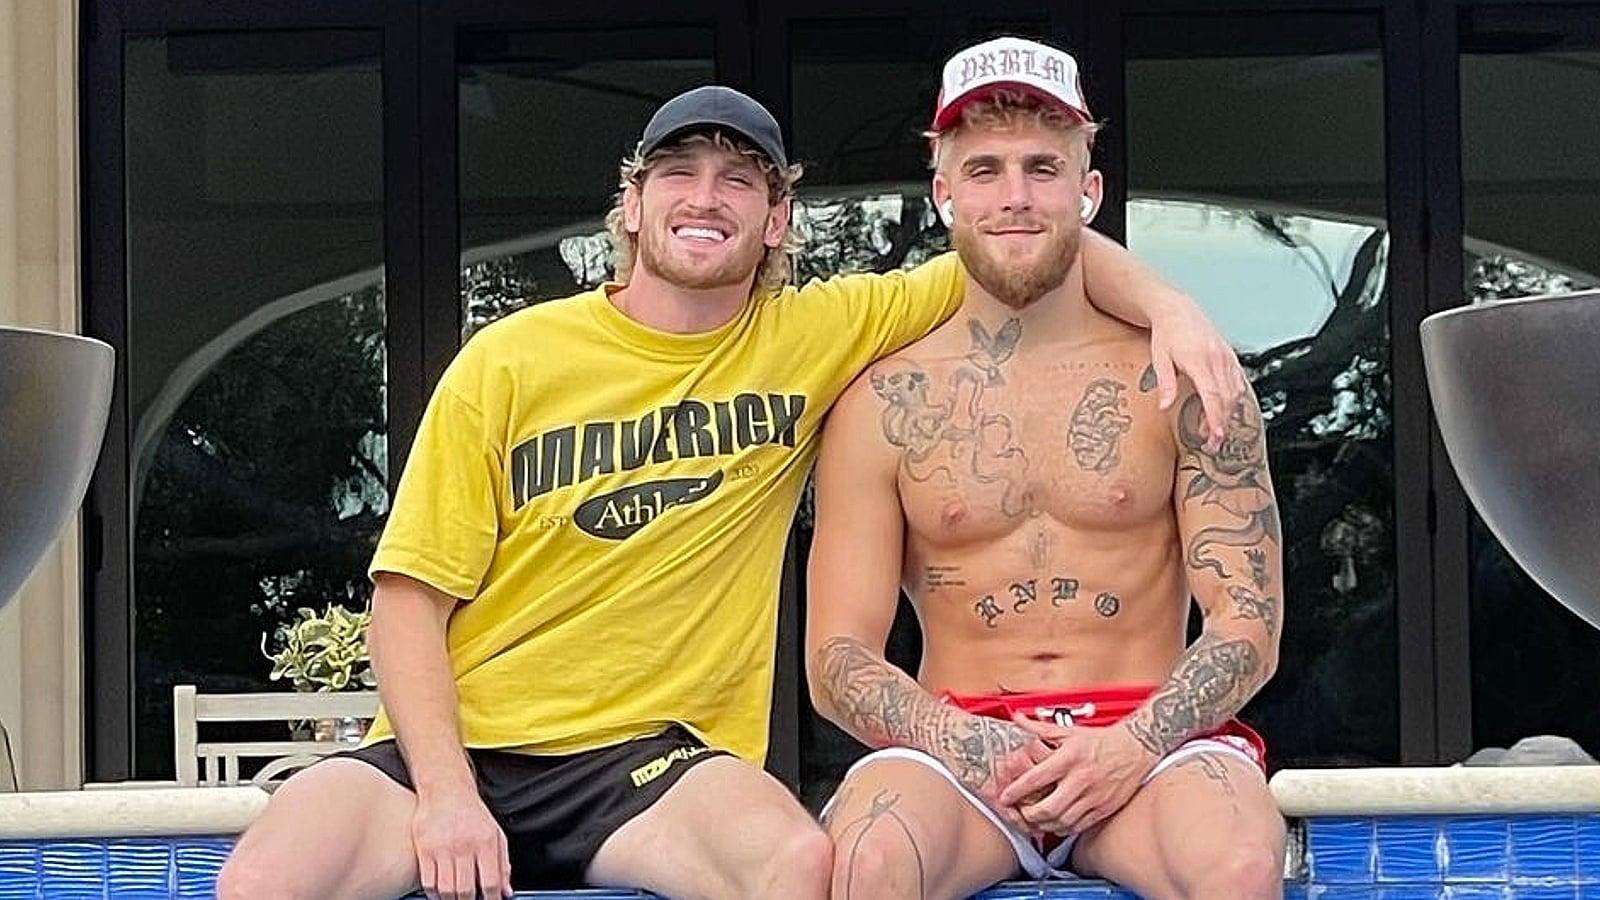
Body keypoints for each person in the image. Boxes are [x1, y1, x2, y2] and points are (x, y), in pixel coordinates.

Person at [217, 81, 1246, 900]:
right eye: (678, 172)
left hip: (652, 760)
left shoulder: (815, 337)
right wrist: (445, 798)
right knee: (267, 880)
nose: (704, 196)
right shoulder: (510, 358)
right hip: (460, 745)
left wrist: (1170, 307)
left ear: (777, 220)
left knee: (796, 870)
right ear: (632, 201)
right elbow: (406, 599)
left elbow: (1023, 242)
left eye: (738, 180)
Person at [807, 37, 1285, 900]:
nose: (1016, 197)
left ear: (1088, 191)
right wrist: (963, 742)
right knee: (869, 862)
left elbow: (1248, 623)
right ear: (944, 193)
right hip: (960, 743)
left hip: (1152, 736)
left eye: (1043, 167)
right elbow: (837, 656)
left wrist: (1134, 743)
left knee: (1239, 864)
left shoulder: (1185, 375)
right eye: (984, 171)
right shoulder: (883, 398)